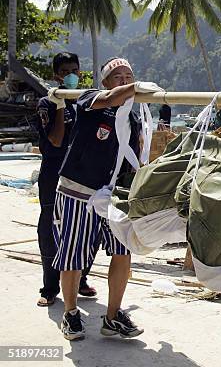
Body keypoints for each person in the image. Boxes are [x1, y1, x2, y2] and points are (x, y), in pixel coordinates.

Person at [52, 57, 162, 340]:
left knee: (123, 252)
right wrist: (135, 87)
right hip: (78, 191)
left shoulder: (133, 119)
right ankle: (71, 313)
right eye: (118, 77)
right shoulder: (90, 99)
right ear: (105, 83)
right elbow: (111, 98)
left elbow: (134, 158)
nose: (124, 81)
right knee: (73, 255)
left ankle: (113, 316)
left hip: (112, 196)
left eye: (129, 76)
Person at [35, 52, 97, 307]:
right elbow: (56, 139)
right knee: (50, 228)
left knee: (85, 227)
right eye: (65, 72)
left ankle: (80, 279)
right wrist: (60, 105)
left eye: (75, 70)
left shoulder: (86, 101)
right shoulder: (47, 103)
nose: (71, 75)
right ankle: (50, 287)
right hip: (53, 173)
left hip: (81, 174)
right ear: (56, 76)